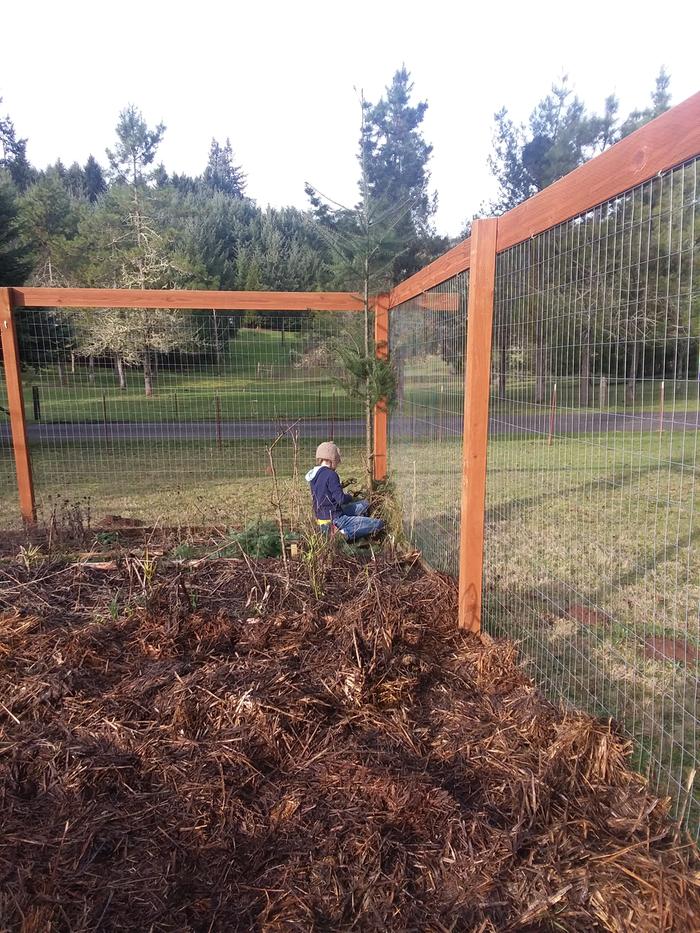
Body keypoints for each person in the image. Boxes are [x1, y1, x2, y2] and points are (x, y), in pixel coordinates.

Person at [305, 441, 384, 542]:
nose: (337, 464)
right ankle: (342, 534)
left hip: (322, 519)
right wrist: (350, 495)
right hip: (336, 518)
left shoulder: (314, 475)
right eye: (337, 461)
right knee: (378, 524)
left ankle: (356, 534)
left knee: (364, 505)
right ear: (332, 459)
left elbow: (327, 492)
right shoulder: (331, 475)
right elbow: (341, 499)